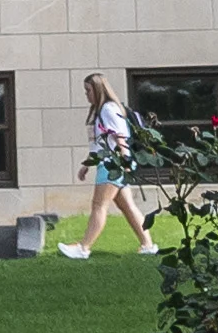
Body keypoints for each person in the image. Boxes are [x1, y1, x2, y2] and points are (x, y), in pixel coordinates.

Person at [57, 72, 158, 258]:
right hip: (114, 163)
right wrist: (87, 164)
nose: (86, 94)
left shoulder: (108, 110)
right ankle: (148, 245)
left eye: (88, 90)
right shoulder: (104, 109)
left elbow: (120, 137)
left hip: (113, 165)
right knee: (127, 206)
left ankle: (83, 248)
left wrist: (125, 160)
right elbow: (101, 142)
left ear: (97, 89)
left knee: (99, 205)